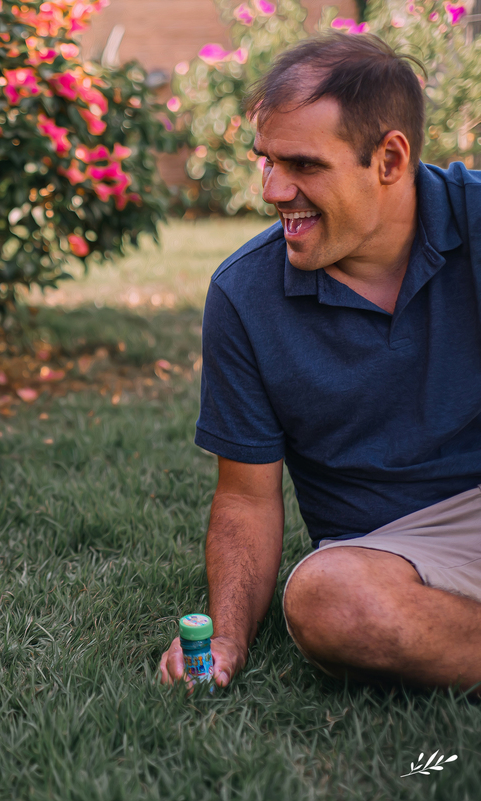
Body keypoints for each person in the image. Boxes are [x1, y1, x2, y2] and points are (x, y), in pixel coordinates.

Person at [159, 32, 481, 693]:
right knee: (325, 599)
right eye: (267, 161)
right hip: (394, 556)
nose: (274, 190)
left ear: (389, 159)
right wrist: (227, 636)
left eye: (303, 164)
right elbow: (246, 498)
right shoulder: (244, 294)